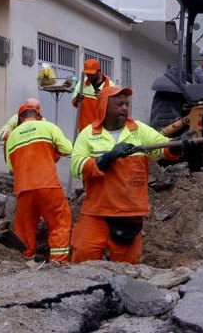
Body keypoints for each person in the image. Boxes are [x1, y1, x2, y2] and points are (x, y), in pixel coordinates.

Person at [69, 85, 186, 264]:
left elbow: (161, 147)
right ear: (104, 107)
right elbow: (76, 166)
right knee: (83, 256)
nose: (125, 107)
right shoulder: (88, 134)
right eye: (119, 104)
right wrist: (107, 158)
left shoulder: (138, 130)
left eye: (126, 104)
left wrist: (178, 146)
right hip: (96, 211)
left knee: (127, 266)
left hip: (129, 213)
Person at [4, 103, 73, 263]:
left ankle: (25, 261)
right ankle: (58, 261)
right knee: (60, 222)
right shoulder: (48, 127)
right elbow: (67, 149)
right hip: (48, 186)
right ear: (38, 115)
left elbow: (11, 167)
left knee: (24, 229)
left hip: (24, 190)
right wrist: (50, 154)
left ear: (20, 119)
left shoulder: (12, 136)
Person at [71, 58, 113, 132]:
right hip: (85, 128)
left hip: (102, 129)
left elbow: (114, 106)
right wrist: (77, 99)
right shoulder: (81, 84)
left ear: (99, 72)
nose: (89, 76)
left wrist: (103, 96)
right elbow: (74, 102)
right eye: (87, 73)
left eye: (92, 74)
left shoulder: (110, 85)